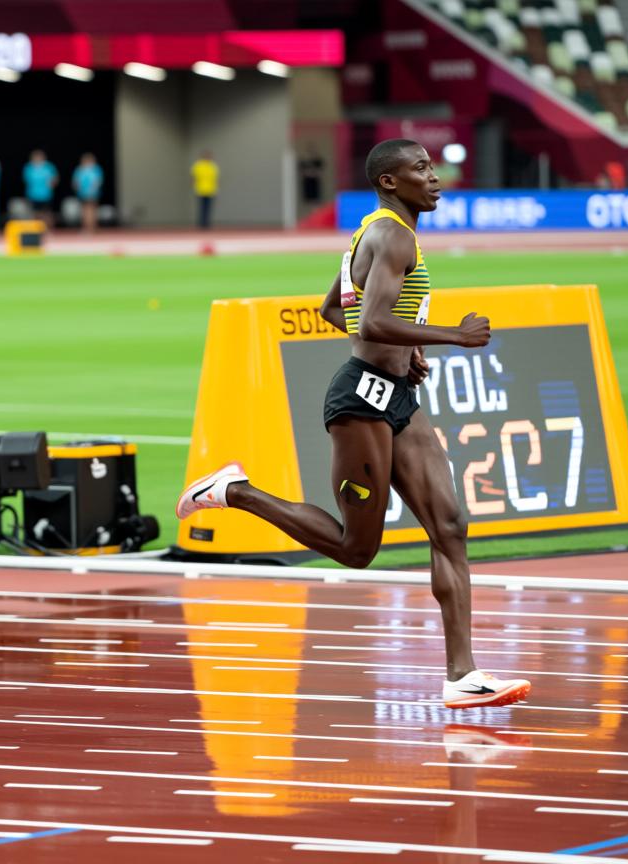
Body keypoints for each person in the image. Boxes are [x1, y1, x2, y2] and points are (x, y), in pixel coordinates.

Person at [176, 138, 531, 710]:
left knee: (450, 525)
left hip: (398, 397)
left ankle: (462, 675)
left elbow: (331, 310)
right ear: (390, 181)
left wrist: (406, 353)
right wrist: (452, 336)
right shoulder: (391, 235)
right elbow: (369, 322)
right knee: (355, 548)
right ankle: (234, 491)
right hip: (361, 401)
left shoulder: (381, 232)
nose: (434, 177)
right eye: (421, 168)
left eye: (432, 167)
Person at [22, 148, 58, 228]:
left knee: (47, 213)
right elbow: (26, 180)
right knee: (35, 213)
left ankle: (49, 229)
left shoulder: (49, 167)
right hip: (33, 194)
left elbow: (55, 179)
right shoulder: (29, 167)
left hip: (46, 194)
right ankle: (36, 228)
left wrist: (52, 183)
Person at [71, 152, 103, 232]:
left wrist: (93, 189)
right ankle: (86, 227)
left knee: (92, 210)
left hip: (93, 193)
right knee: (84, 211)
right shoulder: (79, 170)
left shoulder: (96, 169)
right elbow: (76, 182)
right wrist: (77, 188)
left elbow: (98, 181)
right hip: (83, 193)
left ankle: (92, 227)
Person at [191, 150, 218, 229]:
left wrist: (216, 187)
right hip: (200, 189)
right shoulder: (198, 165)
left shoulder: (213, 166)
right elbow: (194, 176)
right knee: (201, 207)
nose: (208, 157)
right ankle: (201, 223)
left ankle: (207, 223)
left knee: (208, 208)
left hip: (210, 189)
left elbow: (216, 178)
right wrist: (194, 185)